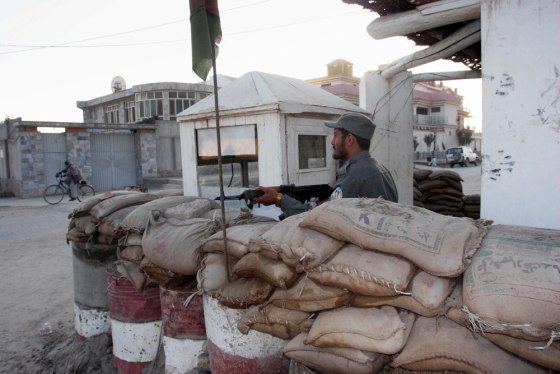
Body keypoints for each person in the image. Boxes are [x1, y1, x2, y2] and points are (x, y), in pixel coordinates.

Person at [255, 112, 398, 218]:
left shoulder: (355, 175)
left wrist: (279, 199)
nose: (332, 142)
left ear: (349, 139)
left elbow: (319, 217)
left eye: (335, 135)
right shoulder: (380, 169)